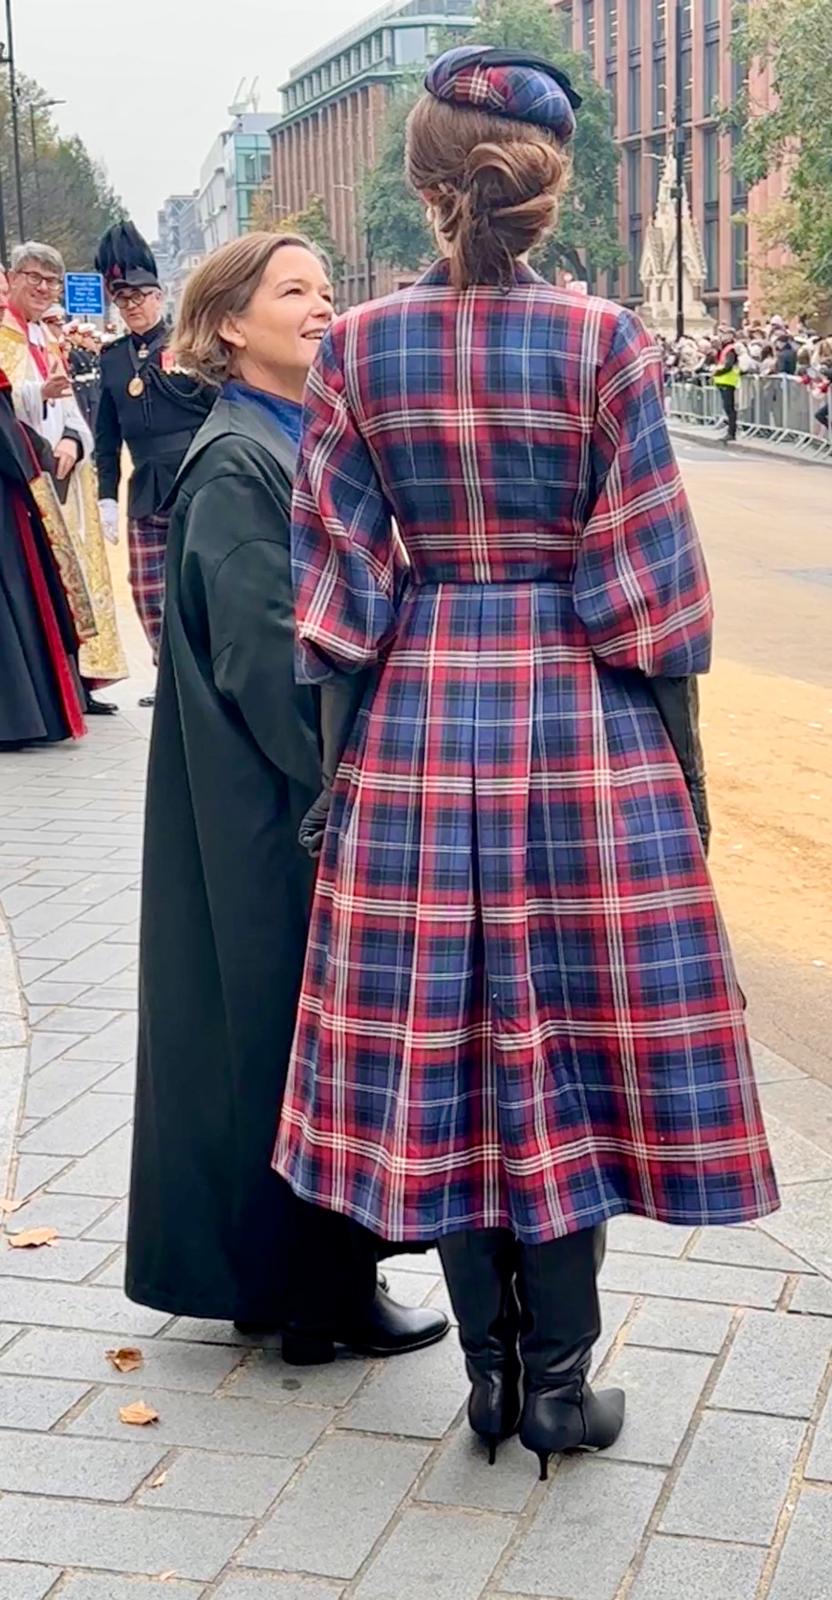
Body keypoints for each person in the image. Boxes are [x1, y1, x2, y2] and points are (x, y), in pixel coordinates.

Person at [273, 44, 778, 1473]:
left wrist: (338, 776)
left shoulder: (356, 349)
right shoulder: (608, 341)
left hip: (417, 728)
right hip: (583, 731)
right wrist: (681, 784)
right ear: (548, 190)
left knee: (439, 1046)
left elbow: (332, 604)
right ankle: (556, 1386)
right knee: (566, 1047)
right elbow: (653, 596)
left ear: (426, 183)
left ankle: (487, 1381)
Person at [126, 231, 449, 1366]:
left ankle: (300, 1290)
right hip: (277, 815)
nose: (323, 308)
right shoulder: (237, 461)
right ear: (229, 326)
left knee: (282, 1041)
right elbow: (271, 664)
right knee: (290, 1042)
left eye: (327, 289)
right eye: (293, 292)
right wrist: (352, 787)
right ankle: (318, 1296)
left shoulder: (290, 441)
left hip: (276, 808)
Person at [0, 242, 127, 713]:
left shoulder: (47, 339)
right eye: (33, 277)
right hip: (24, 476)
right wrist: (37, 393)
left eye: (51, 281)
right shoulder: (4, 339)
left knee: (76, 577)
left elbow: (70, 405)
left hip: (65, 473)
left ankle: (79, 679)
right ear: (11, 278)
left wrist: (74, 438)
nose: (43, 288)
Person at [95, 222, 215, 709]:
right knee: (146, 590)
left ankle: (201, 675)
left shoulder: (188, 344)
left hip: (193, 477)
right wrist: (106, 492)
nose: (134, 307)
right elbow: (107, 436)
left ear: (159, 295)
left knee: (196, 586)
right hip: (144, 482)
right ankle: (167, 676)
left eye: (141, 297)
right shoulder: (113, 359)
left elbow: (215, 407)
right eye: (124, 301)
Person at [712, 328, 741, 440]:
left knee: (729, 408)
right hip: (723, 381)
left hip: (728, 381)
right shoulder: (724, 349)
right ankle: (730, 431)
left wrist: (717, 372)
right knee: (727, 407)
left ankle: (731, 433)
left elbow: (728, 365)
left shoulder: (730, 349)